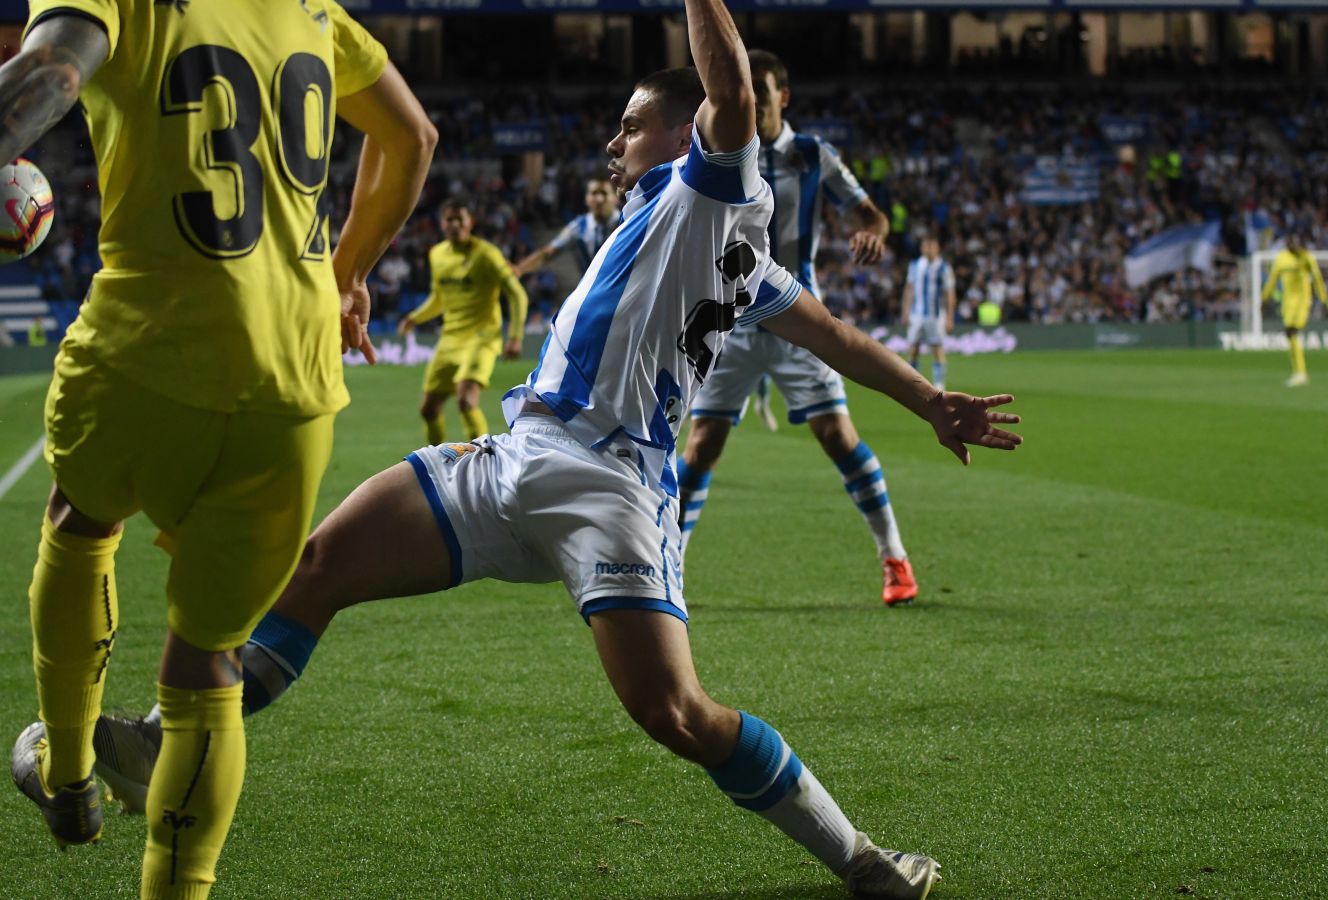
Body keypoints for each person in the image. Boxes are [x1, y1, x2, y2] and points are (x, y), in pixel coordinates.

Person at [95, 0, 1021, 894]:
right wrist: (930, 399)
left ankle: (858, 855)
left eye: (629, 126)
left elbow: (734, 100)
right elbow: (836, 335)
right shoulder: (702, 235)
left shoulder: (713, 193)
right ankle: (162, 748)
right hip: (511, 461)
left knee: (676, 715)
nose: (613, 144)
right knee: (313, 568)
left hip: (608, 486)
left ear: (683, 130)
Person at [3, 4, 436, 897]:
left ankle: (70, 770)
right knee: (206, 661)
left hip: (147, 345)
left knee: (80, 521)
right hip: (297, 380)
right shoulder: (313, 7)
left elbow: (52, 73)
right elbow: (413, 136)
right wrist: (347, 274)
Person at [677, 49, 916, 605]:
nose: (752, 99)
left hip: (798, 318)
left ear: (784, 96)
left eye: (761, 89)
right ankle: (672, 564)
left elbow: (869, 214)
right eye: (745, 88)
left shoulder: (813, 155)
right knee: (702, 444)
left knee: (837, 436)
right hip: (729, 320)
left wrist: (874, 233)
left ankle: (895, 559)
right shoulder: (718, 149)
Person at [398, 199, 527, 442]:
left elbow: (517, 294)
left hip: (482, 337)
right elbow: (439, 298)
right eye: (450, 219)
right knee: (428, 409)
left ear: (470, 223)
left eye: (460, 219)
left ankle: (482, 460)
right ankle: (438, 462)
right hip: (450, 339)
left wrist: (515, 336)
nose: (455, 224)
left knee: (466, 400)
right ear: (441, 223)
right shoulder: (437, 254)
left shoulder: (487, 254)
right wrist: (414, 318)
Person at [512, 176, 621, 278]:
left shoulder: (625, 221)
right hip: (591, 290)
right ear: (587, 199)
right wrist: (520, 269)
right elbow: (548, 252)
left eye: (604, 193)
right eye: (594, 193)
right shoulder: (579, 226)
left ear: (615, 197)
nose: (599, 199)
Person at [1260, 233, 1327, 387]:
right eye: (1291, 243)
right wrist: (1264, 299)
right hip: (1288, 302)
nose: (1294, 246)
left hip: (1303, 300)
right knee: (1289, 334)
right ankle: (1298, 372)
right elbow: (1271, 280)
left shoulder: (1307, 258)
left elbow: (1317, 278)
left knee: (1292, 331)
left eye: (1296, 243)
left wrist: (1323, 298)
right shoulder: (1281, 259)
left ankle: (1301, 374)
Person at [902, 236, 957, 391]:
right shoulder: (914, 265)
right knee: (913, 348)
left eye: (931, 246)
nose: (928, 249)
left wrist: (950, 318)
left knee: (937, 348)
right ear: (922, 248)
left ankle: (939, 384)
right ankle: (913, 382)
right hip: (916, 314)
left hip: (936, 315)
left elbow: (950, 293)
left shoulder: (944, 268)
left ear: (937, 248)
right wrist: (905, 311)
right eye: (926, 246)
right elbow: (909, 289)